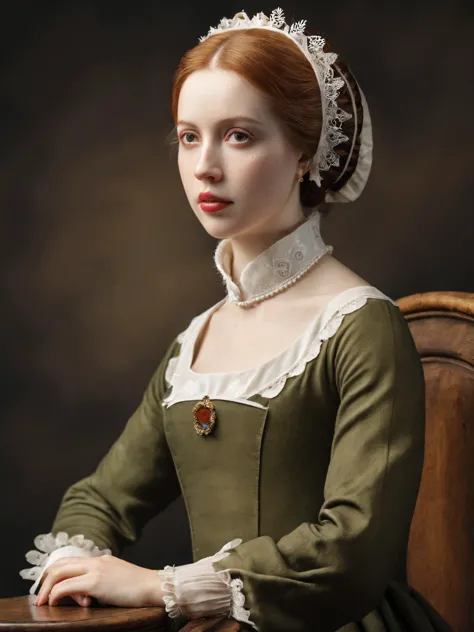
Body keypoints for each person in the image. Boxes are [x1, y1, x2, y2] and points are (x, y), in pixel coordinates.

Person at [20, 8, 453, 632]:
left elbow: (353, 549)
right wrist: (72, 565)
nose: (205, 167)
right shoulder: (195, 343)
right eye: (189, 136)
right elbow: (100, 499)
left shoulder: (361, 326)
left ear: (305, 152)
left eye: (240, 135)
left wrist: (162, 586)